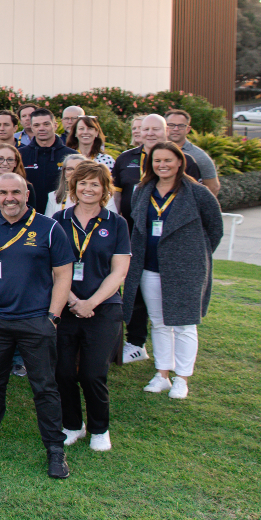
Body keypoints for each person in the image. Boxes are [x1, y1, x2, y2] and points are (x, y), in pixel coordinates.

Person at [0, 172, 76, 479]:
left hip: (35, 320)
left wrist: (52, 317)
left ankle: (55, 449)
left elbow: (63, 274)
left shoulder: (49, 228)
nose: (9, 198)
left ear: (26, 194)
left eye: (15, 192)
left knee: (44, 387)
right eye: (3, 193)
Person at [125, 141, 224, 401]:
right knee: (158, 322)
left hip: (185, 270)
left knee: (184, 325)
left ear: (180, 162)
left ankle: (182, 378)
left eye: (168, 160)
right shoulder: (142, 190)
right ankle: (162, 374)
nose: (162, 165)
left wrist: (195, 255)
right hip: (149, 268)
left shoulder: (198, 193)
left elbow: (215, 229)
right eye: (157, 160)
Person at [52, 161, 131, 452]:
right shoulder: (59, 220)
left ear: (104, 189)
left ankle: (100, 429)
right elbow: (52, 267)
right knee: (63, 372)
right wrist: (73, 300)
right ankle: (73, 425)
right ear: (74, 187)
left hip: (103, 308)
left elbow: (119, 271)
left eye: (95, 184)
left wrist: (91, 303)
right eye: (82, 183)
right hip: (65, 306)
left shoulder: (116, 223)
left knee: (93, 373)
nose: (88, 189)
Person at [111, 116, 202, 361]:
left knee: (171, 296)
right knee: (137, 291)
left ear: (166, 131)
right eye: (145, 129)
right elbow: (117, 199)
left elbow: (204, 211)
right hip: (135, 238)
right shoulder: (125, 159)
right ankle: (137, 342)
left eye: (156, 129)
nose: (150, 133)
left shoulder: (186, 161)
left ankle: (174, 351)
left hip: (174, 244)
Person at [19, 109, 73, 213]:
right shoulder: (20, 155)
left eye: (46, 124)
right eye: (36, 125)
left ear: (55, 125)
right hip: (28, 214)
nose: (41, 128)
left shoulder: (71, 156)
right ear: (31, 128)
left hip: (61, 213)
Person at [164, 108, 223, 196]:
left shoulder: (199, 156)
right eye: (171, 125)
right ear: (165, 127)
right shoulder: (154, 151)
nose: (176, 129)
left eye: (181, 126)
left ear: (188, 129)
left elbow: (213, 187)